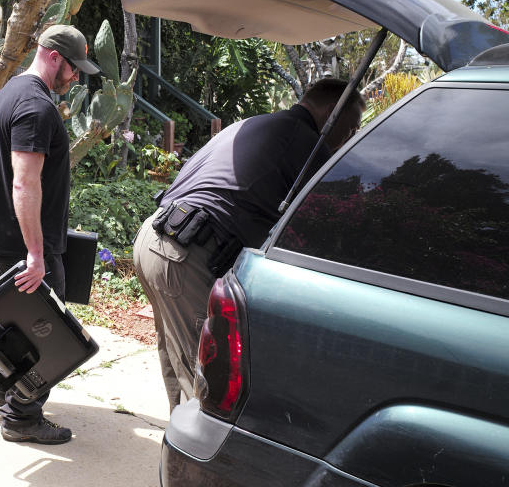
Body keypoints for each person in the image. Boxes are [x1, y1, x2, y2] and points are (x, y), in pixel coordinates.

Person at [133, 78, 365, 413]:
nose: (352, 136)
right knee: (211, 383)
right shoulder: (306, 142)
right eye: (353, 126)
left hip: (155, 239)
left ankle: (181, 445)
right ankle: (193, 457)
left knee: (178, 359)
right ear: (332, 113)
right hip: (185, 255)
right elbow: (329, 226)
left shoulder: (255, 124)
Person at [0, 24, 101, 444]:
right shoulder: (36, 107)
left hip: (4, 235)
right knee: (48, 336)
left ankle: (2, 386)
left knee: (10, 326)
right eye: (74, 68)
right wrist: (36, 254)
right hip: (28, 244)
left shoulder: (10, 93)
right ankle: (22, 417)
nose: (76, 77)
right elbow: (24, 183)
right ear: (54, 57)